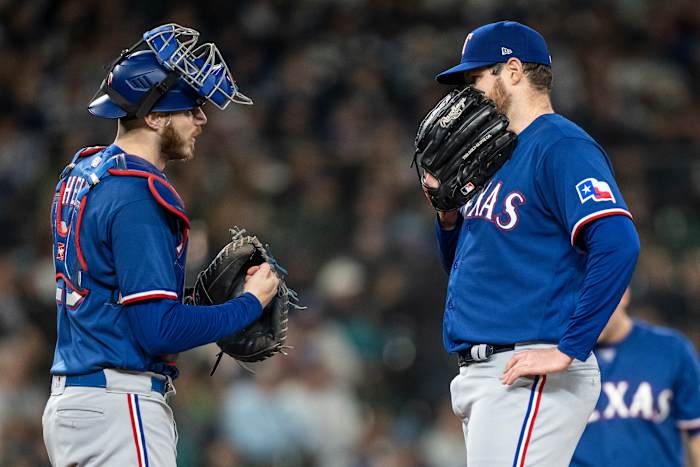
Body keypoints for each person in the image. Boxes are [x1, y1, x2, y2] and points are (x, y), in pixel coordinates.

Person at [42, 24, 280, 466]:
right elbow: (157, 329)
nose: (202, 118)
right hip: (120, 406)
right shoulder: (138, 194)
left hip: (75, 402)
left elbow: (111, 290)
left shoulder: (83, 172)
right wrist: (249, 302)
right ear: (153, 117)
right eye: (190, 107)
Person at [424, 21, 640, 466]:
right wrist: (446, 219)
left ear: (515, 70)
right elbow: (469, 268)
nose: (468, 92)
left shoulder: (561, 146)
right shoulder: (492, 154)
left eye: (477, 76)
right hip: (486, 370)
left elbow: (619, 243)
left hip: (526, 366)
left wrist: (569, 347)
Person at [571, 288, 700, 467]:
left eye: (594, 303)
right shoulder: (556, 361)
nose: (586, 314)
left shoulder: (671, 350)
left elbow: (696, 433)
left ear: (623, 294)